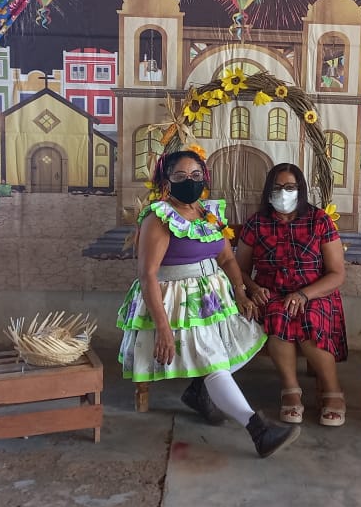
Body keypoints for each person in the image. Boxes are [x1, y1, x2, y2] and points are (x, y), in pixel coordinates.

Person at [116, 150, 300, 457]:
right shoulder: (158, 218)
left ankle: (200, 391)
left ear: (205, 178)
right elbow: (147, 275)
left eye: (196, 175)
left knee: (246, 337)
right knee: (214, 362)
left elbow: (226, 258)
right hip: (177, 303)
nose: (190, 181)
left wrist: (240, 292)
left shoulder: (209, 214)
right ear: (166, 181)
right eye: (180, 176)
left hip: (212, 298)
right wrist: (163, 328)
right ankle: (259, 430)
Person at [235, 163, 348, 427]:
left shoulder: (319, 221)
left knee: (309, 319)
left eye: (289, 187)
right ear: (268, 191)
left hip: (315, 293)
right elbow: (239, 270)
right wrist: (253, 288)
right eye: (277, 188)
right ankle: (290, 391)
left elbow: (337, 274)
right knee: (278, 314)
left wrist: (304, 295)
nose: (283, 193)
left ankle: (333, 391)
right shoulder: (256, 223)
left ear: (300, 190)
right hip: (271, 294)